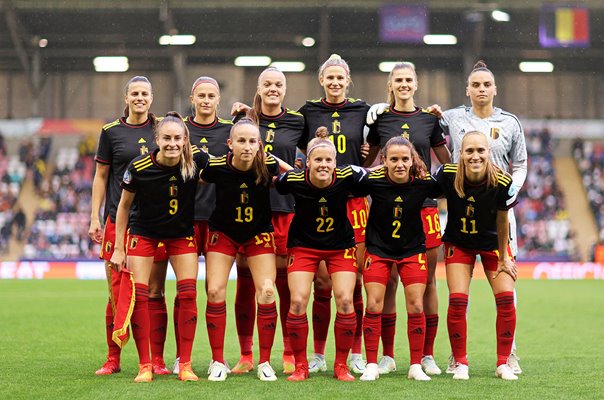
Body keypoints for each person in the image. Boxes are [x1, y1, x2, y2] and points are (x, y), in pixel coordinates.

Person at [439, 61, 527, 374]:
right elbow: (430, 135)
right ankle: (457, 358)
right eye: (475, 85)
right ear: (467, 89)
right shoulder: (451, 118)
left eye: (486, 85)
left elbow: (520, 165)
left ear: (494, 89)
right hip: (461, 212)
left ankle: (509, 356)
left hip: (500, 214)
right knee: (459, 298)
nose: (481, 89)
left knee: (507, 291)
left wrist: (509, 192)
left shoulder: (511, 122)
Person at [364, 62, 450, 376]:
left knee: (426, 283)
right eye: (398, 80)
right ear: (391, 85)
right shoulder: (380, 119)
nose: (403, 84)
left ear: (416, 84)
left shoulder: (429, 119)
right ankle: (386, 356)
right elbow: (366, 161)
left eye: (408, 80)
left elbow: (448, 162)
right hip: (386, 208)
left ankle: (426, 355)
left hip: (424, 207)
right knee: (386, 281)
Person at [109, 112, 209, 383]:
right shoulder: (139, 167)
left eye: (178, 138)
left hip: (181, 236)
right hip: (145, 233)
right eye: (167, 138)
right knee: (140, 296)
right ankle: (145, 365)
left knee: (188, 294)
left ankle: (185, 364)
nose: (172, 143)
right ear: (156, 139)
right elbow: (124, 207)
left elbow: (230, 168)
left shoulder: (196, 163)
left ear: (186, 139)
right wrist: (119, 248)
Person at [89, 76, 171, 376]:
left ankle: (157, 359)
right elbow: (101, 176)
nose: (139, 98)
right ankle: (113, 357)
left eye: (144, 93)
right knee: (115, 291)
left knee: (154, 290)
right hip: (117, 220)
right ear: (126, 97)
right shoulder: (111, 132)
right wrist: (94, 216)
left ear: (152, 97)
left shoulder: (163, 129)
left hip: (154, 221)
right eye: (134, 93)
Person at [230, 68, 306, 375]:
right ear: (258, 88)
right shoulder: (244, 120)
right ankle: (246, 355)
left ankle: (288, 352)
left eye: (278, 84)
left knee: (285, 282)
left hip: (285, 209)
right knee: (246, 282)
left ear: (285, 89)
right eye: (267, 84)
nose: (273, 89)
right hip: (248, 210)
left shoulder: (299, 121)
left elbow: (315, 151)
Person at [276, 127, 367, 382]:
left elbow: (374, 178)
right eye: (318, 159)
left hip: (340, 246)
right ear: (308, 163)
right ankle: (301, 366)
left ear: (336, 163)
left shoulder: (347, 177)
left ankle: (341, 365)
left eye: (328, 160)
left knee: (346, 301)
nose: (323, 164)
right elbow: (274, 181)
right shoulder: (294, 180)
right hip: (303, 246)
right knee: (297, 302)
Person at [298, 54, 369, 374]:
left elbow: (382, 140)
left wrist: (371, 154)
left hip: (353, 202)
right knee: (322, 284)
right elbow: (292, 141)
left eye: (341, 78)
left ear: (348, 80)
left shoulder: (364, 111)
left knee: (354, 282)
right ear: (321, 80)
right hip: (318, 201)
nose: (336, 82)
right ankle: (318, 354)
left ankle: (355, 351)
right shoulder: (308, 111)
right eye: (330, 78)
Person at [201, 118, 286, 382]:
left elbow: (293, 171)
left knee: (268, 291)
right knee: (214, 290)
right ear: (230, 144)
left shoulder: (268, 164)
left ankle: (264, 362)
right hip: (223, 233)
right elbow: (194, 177)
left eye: (252, 141)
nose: (247, 147)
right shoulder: (215, 166)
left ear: (260, 145)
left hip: (257, 234)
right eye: (241, 141)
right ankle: (217, 361)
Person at [355, 137, 442, 381]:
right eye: (394, 159)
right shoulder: (372, 181)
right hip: (378, 251)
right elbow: (343, 180)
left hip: (412, 251)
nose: (400, 164)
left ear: (412, 160)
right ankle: (372, 363)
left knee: (415, 305)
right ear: (384, 161)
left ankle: (415, 365)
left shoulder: (423, 184)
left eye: (405, 159)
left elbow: (454, 183)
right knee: (373, 304)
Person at [434, 131, 519, 381]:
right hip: (459, 244)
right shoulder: (447, 175)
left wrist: (504, 257)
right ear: (460, 153)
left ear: (488, 153)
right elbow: (421, 191)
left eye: (480, 150)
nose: (475, 156)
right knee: (458, 301)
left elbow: (503, 221)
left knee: (506, 300)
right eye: (469, 151)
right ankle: (460, 362)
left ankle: (503, 362)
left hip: (493, 245)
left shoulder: (503, 181)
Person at [169, 76, 232, 375]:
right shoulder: (179, 131)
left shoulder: (231, 131)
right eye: (201, 95)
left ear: (218, 100)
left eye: (211, 95)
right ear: (192, 98)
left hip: (221, 219)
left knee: (215, 290)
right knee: (185, 291)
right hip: (185, 219)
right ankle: (183, 357)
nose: (206, 100)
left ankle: (218, 358)